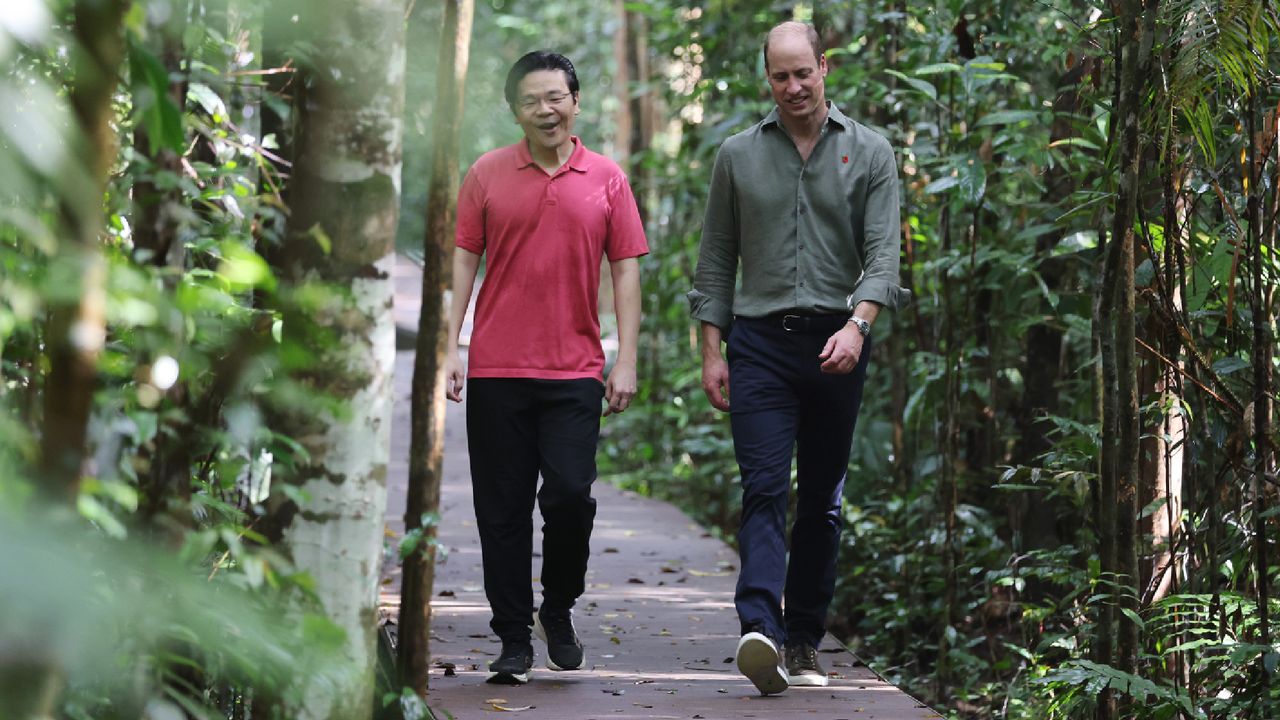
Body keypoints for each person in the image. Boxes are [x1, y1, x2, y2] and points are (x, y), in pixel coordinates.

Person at [688, 21, 909, 695]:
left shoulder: (869, 151)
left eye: (802, 73)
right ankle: (760, 626)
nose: (792, 87)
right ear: (769, 80)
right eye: (779, 77)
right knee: (763, 485)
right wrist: (711, 350)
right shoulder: (738, 155)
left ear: (824, 67)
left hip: (838, 341)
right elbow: (717, 259)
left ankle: (805, 635)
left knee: (821, 496)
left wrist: (857, 325)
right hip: (758, 343)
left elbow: (882, 255)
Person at [444, 50, 648, 685]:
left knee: (568, 496)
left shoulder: (607, 178)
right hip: (497, 369)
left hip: (575, 372)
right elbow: (461, 261)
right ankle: (511, 637)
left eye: (556, 96)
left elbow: (626, 267)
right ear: (516, 111)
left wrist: (627, 360)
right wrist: (451, 345)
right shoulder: (485, 174)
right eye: (532, 100)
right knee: (500, 509)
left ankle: (556, 607)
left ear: (576, 102)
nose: (546, 109)